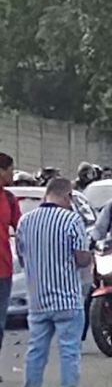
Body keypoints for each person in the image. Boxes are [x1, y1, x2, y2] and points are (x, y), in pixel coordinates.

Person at [15, 177, 91, 387]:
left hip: (37, 300)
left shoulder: (25, 222)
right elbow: (81, 258)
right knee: (69, 350)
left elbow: (22, 256)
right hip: (67, 298)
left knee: (36, 351)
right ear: (68, 196)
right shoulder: (71, 220)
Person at [0, 153, 19, 375]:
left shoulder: (10, 200)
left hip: (3, 270)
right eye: (10, 170)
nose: (12, 174)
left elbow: (21, 229)